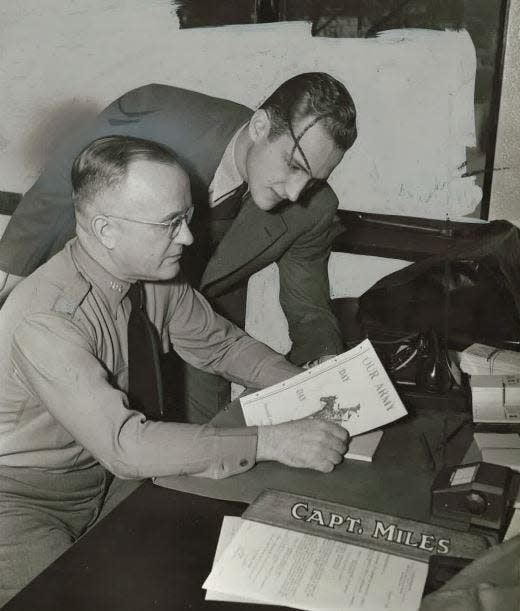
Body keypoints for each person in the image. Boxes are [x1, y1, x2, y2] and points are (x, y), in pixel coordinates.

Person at [0, 135, 349, 607]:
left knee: (205, 565)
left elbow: (222, 346)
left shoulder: (153, 278)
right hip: (19, 502)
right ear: (105, 230)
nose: (186, 237)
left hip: (102, 479)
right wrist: (272, 441)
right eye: (170, 224)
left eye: (186, 218)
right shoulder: (47, 319)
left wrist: (311, 388)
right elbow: (126, 445)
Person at [0, 72, 358, 423]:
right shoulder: (160, 115)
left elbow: (309, 310)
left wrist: (324, 368)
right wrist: (7, 282)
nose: (296, 192)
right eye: (294, 165)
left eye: (313, 179)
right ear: (261, 126)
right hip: (103, 304)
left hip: (205, 321)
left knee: (206, 452)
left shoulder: (314, 208)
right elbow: (56, 190)